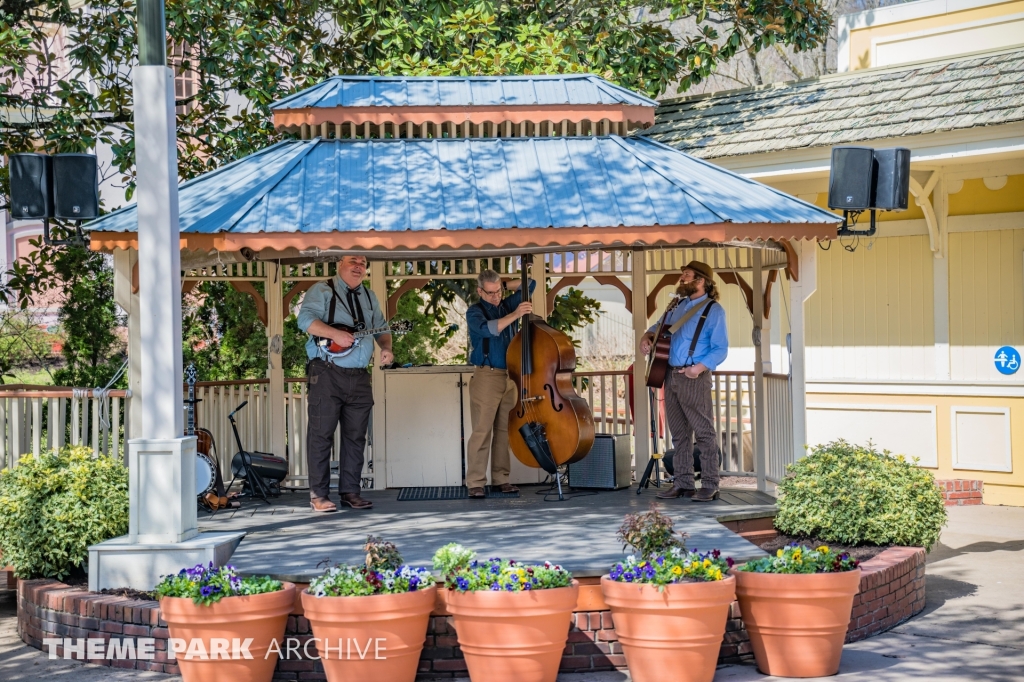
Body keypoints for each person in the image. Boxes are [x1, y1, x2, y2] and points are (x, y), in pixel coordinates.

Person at [297, 255, 393, 512]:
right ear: (340, 263)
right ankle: (318, 495)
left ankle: (351, 492)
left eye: (363, 262)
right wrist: (334, 333)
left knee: (356, 437)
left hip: (360, 376)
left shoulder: (370, 297)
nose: (359, 266)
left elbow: (382, 328)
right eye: (353, 260)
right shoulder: (323, 289)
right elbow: (305, 320)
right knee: (321, 435)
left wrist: (386, 348)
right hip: (327, 372)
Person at [640, 260, 728, 502]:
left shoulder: (714, 311)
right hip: (669, 373)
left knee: (703, 434)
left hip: (694, 377)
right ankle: (684, 483)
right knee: (678, 434)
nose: (682, 278)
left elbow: (720, 349)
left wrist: (697, 369)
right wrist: (646, 338)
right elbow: (657, 327)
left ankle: (710, 484)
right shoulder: (676, 306)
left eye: (687, 275)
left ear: (701, 281)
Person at [464, 269, 536, 499]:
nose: (496, 297)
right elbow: (490, 329)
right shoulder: (474, 312)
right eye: (491, 293)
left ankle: (501, 479)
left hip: (510, 376)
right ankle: (475, 482)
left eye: (499, 292)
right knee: (482, 431)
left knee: (504, 431)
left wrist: (502, 283)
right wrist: (516, 314)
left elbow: (530, 283)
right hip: (487, 376)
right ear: (479, 291)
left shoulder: (505, 303)